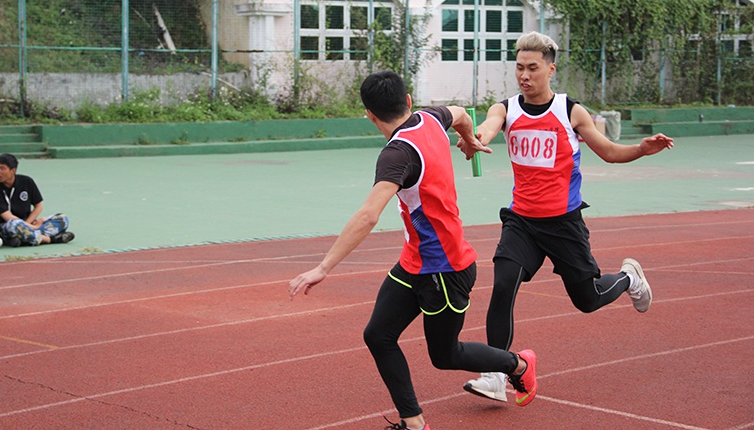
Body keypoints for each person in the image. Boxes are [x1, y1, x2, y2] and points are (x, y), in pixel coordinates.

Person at [288, 71, 539, 430]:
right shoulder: (431, 117)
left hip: (445, 268)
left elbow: (368, 215)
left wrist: (323, 268)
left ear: (369, 115)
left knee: (445, 355)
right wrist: (469, 140)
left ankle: (519, 364)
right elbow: (462, 114)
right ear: (407, 101)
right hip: (415, 262)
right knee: (378, 335)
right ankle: (414, 422)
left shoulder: (397, 154)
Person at [457, 31, 674, 402]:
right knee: (503, 284)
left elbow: (609, 152)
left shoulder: (570, 111)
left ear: (551, 69)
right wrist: (474, 137)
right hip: (522, 222)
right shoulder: (506, 109)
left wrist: (641, 148)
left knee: (587, 299)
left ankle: (629, 277)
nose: (524, 75)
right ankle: (495, 373)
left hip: (563, 224)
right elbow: (487, 129)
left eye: (532, 68)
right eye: (519, 68)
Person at [0, 153, 75, 247]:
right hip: (6, 226)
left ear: (13, 170)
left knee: (62, 218)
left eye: (2, 168)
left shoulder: (26, 181)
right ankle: (50, 239)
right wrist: (33, 227)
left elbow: (38, 206)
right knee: (14, 225)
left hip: (28, 222)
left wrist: (30, 224)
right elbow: (8, 217)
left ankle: (25, 238)